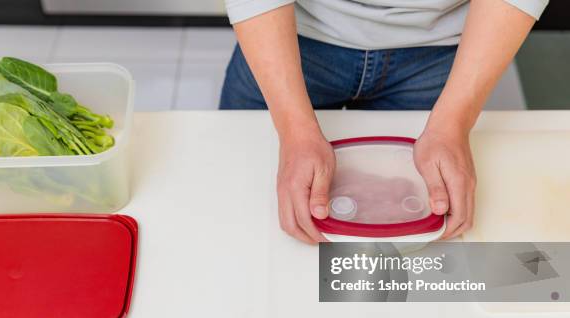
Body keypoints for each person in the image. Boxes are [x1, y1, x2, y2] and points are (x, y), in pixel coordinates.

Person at [220, 0, 548, 244]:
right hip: (288, 37)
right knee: (240, 220)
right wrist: (294, 130)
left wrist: (453, 123)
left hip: (442, 51)